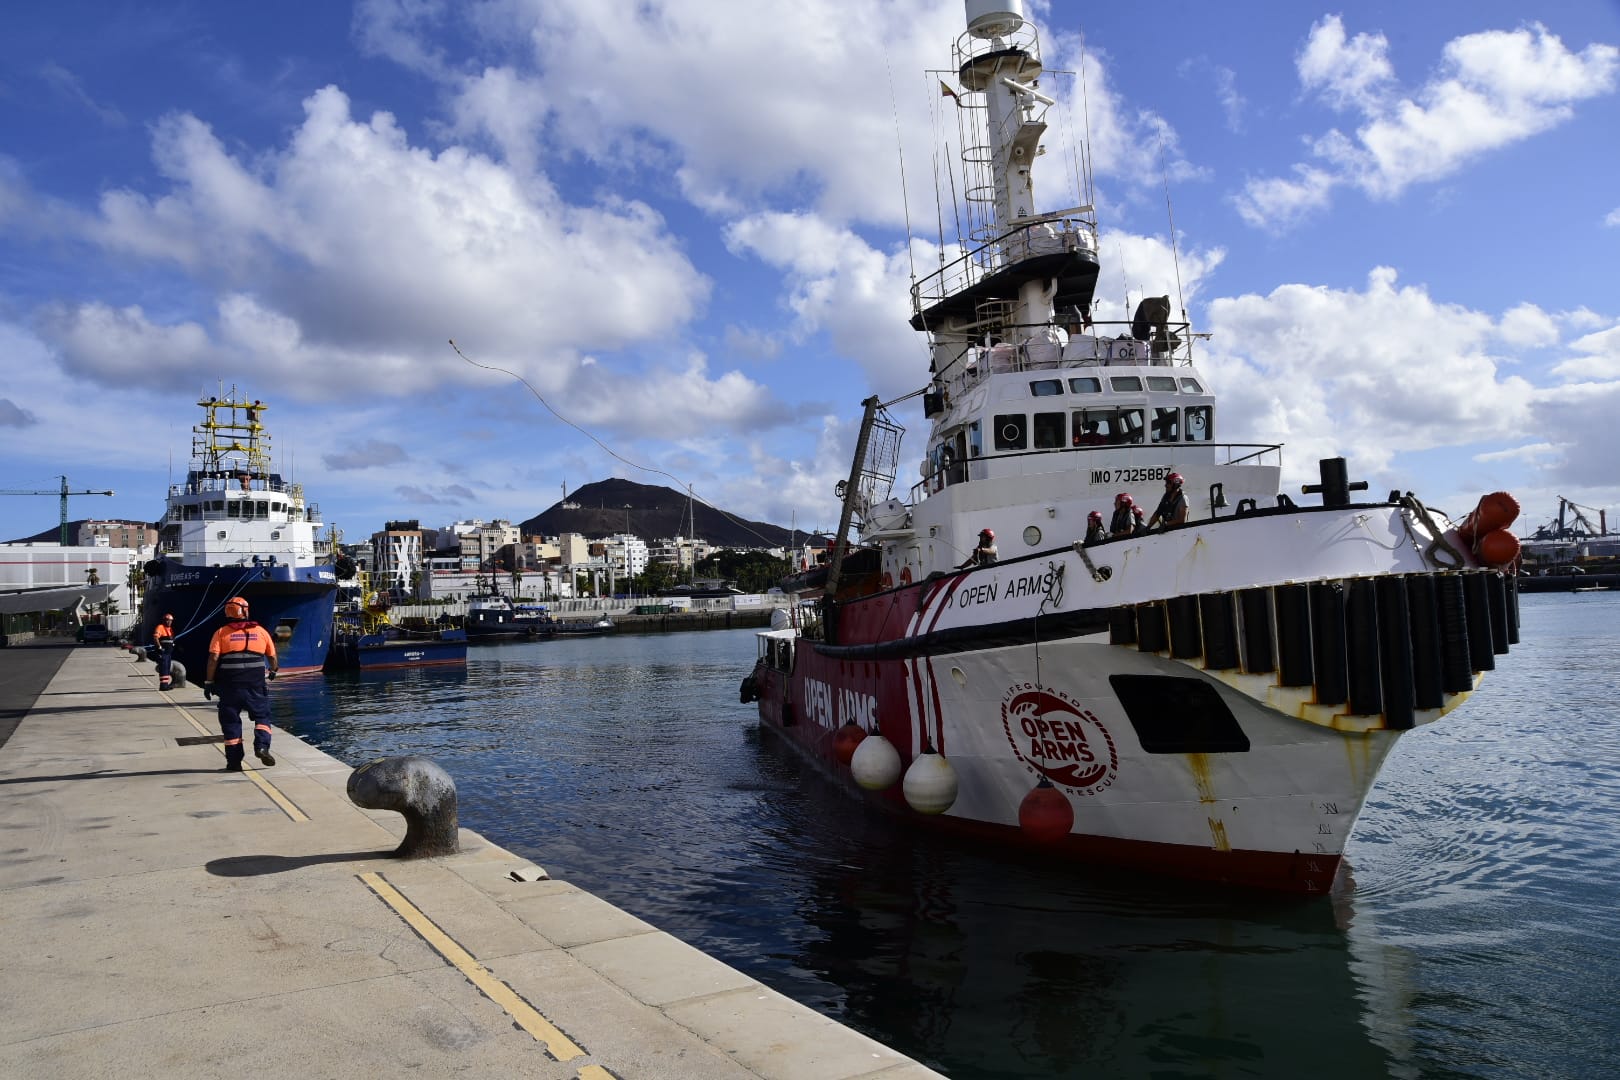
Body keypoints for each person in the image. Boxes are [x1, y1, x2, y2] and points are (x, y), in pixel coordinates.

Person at [203, 596, 279, 771]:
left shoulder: (221, 633)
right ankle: (262, 747)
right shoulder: (261, 632)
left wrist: (209, 682)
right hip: (255, 686)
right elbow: (272, 657)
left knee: (230, 722)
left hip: (230, 687)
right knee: (262, 716)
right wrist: (273, 671)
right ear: (245, 611)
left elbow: (213, 659)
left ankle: (234, 762)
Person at [152, 613, 176, 691]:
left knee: (167, 668)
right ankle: (163, 686)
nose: (169, 622)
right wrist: (159, 647)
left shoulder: (170, 629)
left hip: (168, 653)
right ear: (164, 620)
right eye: (167, 620)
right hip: (163, 652)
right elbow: (156, 638)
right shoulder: (160, 627)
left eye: (170, 620)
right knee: (163, 668)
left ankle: (166, 684)